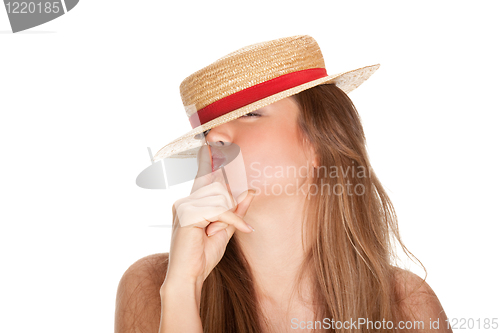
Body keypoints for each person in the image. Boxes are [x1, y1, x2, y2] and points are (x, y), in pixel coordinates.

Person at [115, 35, 452, 333]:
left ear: (319, 142)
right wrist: (183, 289)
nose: (214, 136)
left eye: (251, 114)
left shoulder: (408, 306)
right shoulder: (152, 286)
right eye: (207, 131)